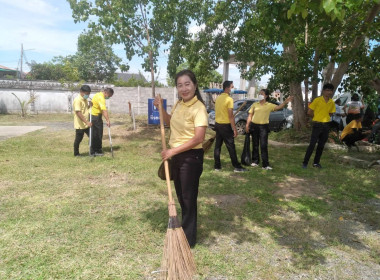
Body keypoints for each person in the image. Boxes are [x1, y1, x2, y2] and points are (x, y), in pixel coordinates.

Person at [154, 69, 208, 248]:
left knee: (188, 198)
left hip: (190, 157)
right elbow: (170, 122)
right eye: (180, 85)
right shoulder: (178, 104)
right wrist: (160, 108)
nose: (184, 88)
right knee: (181, 195)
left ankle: (188, 240)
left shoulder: (199, 107)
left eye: (187, 84)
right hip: (176, 155)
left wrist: (172, 151)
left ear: (195, 85)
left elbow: (198, 138)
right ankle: (185, 232)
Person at [245, 89, 293, 170]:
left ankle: (265, 164)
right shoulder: (255, 104)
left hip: (263, 127)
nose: (260, 94)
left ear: (266, 96)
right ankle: (255, 161)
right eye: (259, 93)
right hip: (254, 126)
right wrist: (247, 125)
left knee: (263, 145)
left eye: (262, 93)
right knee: (255, 144)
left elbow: (278, 107)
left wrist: (285, 102)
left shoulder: (269, 105)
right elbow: (250, 115)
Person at [213, 81, 246, 172]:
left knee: (217, 146)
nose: (233, 88)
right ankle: (237, 166)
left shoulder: (218, 98)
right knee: (231, 146)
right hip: (225, 125)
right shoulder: (229, 99)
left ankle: (217, 166)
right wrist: (234, 129)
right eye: (232, 87)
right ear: (227, 88)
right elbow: (231, 116)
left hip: (218, 124)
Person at [302, 83, 336, 168]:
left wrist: (324, 118)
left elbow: (331, 113)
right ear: (323, 91)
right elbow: (309, 112)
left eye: (330, 91)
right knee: (312, 144)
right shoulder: (317, 100)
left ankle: (316, 163)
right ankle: (305, 163)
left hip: (326, 125)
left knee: (321, 145)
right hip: (317, 124)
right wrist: (317, 117)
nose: (329, 92)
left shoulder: (331, 102)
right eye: (327, 90)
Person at [90, 88, 114, 156]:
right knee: (98, 134)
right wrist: (108, 120)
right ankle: (97, 150)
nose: (108, 97)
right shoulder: (101, 98)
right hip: (96, 117)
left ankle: (94, 150)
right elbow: (104, 110)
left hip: (93, 116)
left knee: (94, 134)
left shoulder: (97, 94)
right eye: (109, 96)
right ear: (106, 93)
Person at [73, 85, 92, 157]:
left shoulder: (85, 99)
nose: (87, 95)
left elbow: (85, 109)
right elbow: (78, 112)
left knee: (91, 136)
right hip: (80, 124)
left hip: (86, 123)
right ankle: (76, 153)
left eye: (88, 94)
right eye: (86, 94)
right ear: (81, 92)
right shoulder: (77, 100)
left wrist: (90, 105)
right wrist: (86, 122)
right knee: (78, 139)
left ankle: (92, 150)